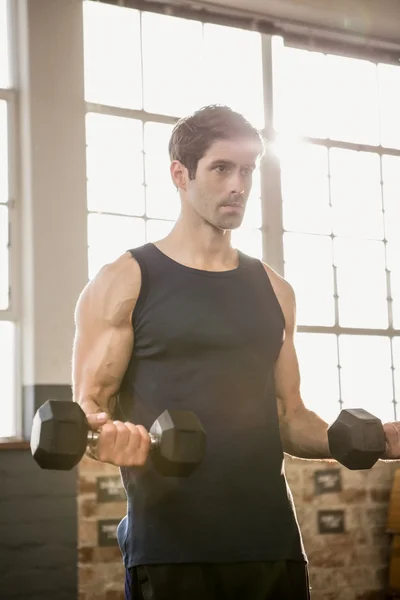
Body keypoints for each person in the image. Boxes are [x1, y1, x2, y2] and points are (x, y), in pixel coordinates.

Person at [72, 105, 400, 600]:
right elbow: (87, 411)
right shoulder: (125, 281)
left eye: (248, 170)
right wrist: (107, 440)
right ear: (180, 175)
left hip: (271, 545)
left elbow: (291, 419)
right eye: (222, 168)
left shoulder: (274, 289)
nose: (239, 186)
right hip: (170, 548)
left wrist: (374, 440)